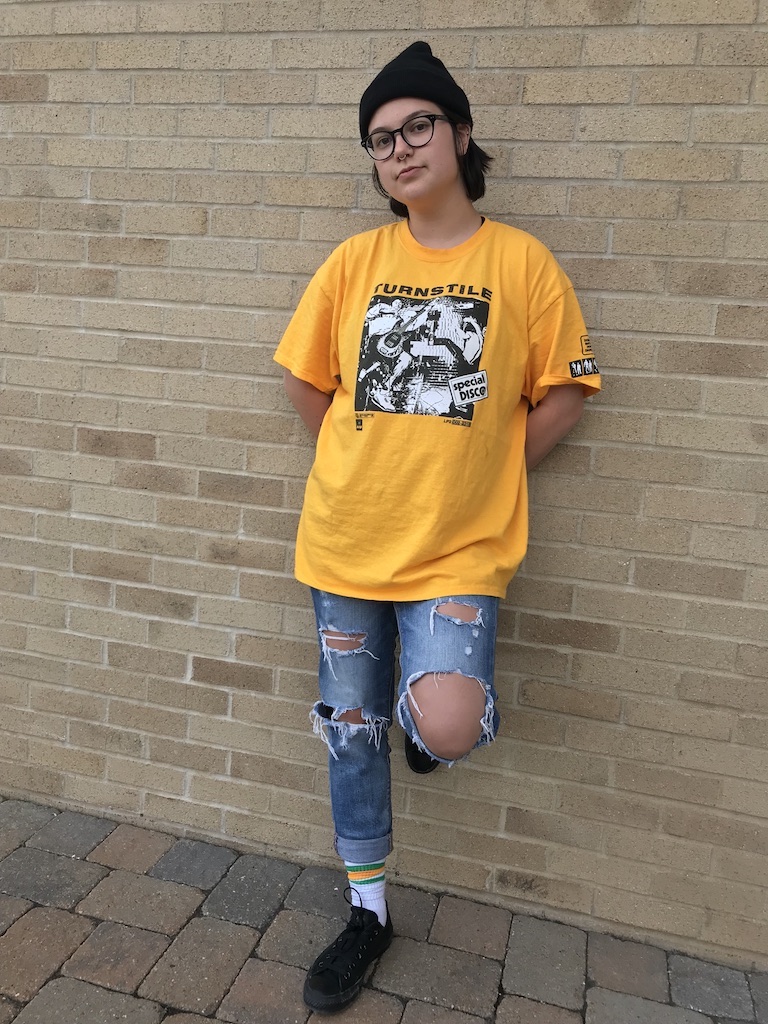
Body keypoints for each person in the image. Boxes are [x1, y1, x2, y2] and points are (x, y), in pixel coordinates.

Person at [274, 41, 601, 1014]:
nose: (401, 148)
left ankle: (427, 724)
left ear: (460, 135)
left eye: (418, 126)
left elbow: (566, 391)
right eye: (381, 139)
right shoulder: (355, 263)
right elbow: (305, 381)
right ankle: (367, 911)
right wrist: (359, 465)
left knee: (445, 725)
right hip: (346, 543)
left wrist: (486, 473)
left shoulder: (522, 264)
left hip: (459, 550)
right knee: (352, 733)